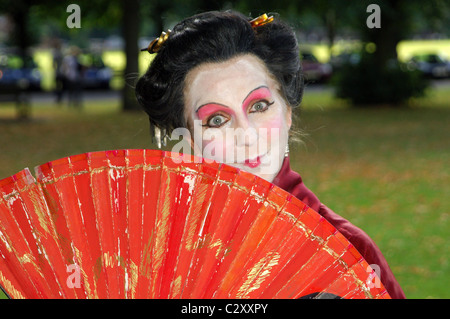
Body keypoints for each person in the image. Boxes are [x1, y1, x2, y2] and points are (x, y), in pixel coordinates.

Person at [135, 10, 405, 299]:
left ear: (287, 112)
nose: (247, 135)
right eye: (217, 120)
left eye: (259, 106)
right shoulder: (155, 252)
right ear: (188, 139)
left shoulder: (348, 250)